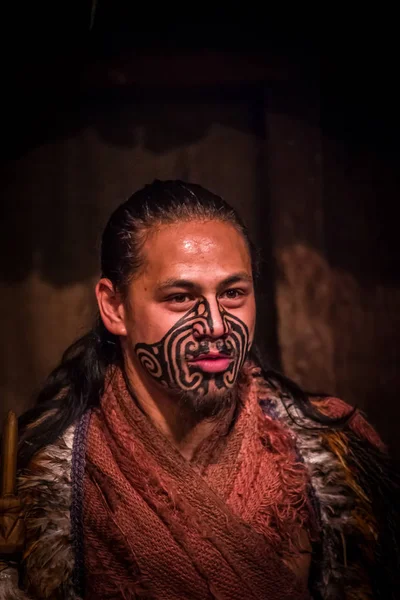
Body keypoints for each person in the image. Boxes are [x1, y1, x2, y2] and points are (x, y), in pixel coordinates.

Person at [0, 180, 399, 599]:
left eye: (232, 293)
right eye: (179, 297)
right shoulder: (45, 481)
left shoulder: (331, 452)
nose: (215, 325)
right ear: (114, 307)